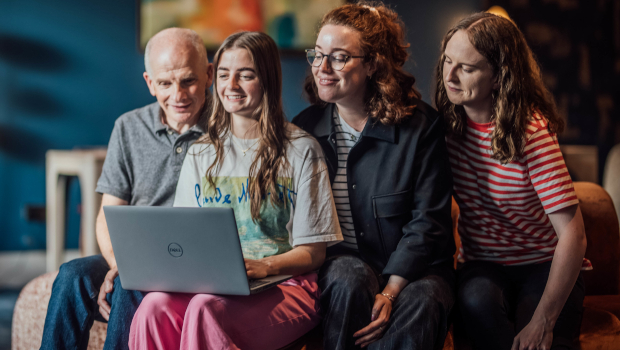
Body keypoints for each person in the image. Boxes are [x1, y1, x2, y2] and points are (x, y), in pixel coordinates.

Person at [128, 31, 343, 350]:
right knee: (152, 308)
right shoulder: (201, 153)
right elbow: (185, 240)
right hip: (214, 284)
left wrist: (265, 266)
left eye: (246, 75)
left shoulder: (302, 150)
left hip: (285, 285)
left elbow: (314, 252)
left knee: (205, 309)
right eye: (225, 75)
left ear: (267, 79)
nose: (231, 86)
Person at [292, 2, 456, 349]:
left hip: (416, 272)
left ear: (373, 64)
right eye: (317, 54)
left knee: (424, 298)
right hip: (343, 269)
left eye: (338, 57)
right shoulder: (303, 131)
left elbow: (429, 222)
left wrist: (392, 289)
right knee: (348, 276)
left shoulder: (421, 128)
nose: (322, 68)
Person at [40, 28, 214, 350]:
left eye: (188, 80)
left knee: (132, 282)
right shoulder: (128, 126)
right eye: (165, 83)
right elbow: (109, 214)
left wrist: (130, 272)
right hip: (137, 255)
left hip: (195, 260)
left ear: (209, 75)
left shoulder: (229, 126)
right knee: (71, 276)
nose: (178, 94)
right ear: (150, 83)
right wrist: (120, 262)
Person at [435, 12, 588, 350]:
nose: (451, 75)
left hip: (544, 262)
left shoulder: (531, 133)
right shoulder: (443, 130)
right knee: (475, 304)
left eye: (468, 68)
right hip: (482, 264)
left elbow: (573, 236)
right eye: (447, 60)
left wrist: (543, 322)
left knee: (539, 336)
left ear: (499, 77)